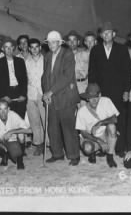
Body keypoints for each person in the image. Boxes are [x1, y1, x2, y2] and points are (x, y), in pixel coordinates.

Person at [88, 22, 131, 156]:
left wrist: (126, 90)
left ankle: (120, 148)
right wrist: (93, 93)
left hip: (118, 91)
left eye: (109, 32)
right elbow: (92, 72)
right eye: (104, 33)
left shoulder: (122, 49)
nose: (106, 35)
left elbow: (127, 71)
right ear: (101, 35)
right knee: (103, 119)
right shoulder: (95, 50)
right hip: (101, 92)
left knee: (120, 118)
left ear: (114, 34)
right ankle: (104, 147)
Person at [41, 31, 80, 166]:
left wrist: (50, 92)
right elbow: (45, 76)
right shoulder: (47, 56)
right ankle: (57, 154)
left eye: (54, 42)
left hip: (66, 96)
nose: (51, 44)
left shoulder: (67, 54)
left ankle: (74, 155)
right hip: (51, 97)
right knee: (53, 128)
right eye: (49, 42)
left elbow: (66, 77)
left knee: (68, 127)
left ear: (59, 42)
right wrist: (46, 93)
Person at [75, 83, 118, 168]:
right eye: (91, 98)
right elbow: (83, 133)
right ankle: (93, 152)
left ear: (100, 95)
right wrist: (99, 141)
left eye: (96, 97)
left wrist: (100, 123)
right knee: (87, 148)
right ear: (87, 98)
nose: (94, 100)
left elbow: (115, 119)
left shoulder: (106, 101)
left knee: (112, 127)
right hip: (91, 137)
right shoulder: (82, 111)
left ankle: (110, 156)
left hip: (105, 134)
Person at [0, 99, 32, 169]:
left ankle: (20, 160)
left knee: (21, 134)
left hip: (13, 141)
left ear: (8, 109)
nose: (3, 112)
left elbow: (29, 130)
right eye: (0, 109)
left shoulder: (13, 115)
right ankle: (4, 155)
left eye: (5, 109)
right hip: (1, 141)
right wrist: (1, 141)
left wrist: (11, 131)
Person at [0, 37, 28, 120]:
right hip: (7, 92)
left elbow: (24, 79)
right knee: (8, 119)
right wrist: (3, 96)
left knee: (20, 118)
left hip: (19, 91)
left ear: (13, 48)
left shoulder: (20, 61)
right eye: (6, 47)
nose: (9, 49)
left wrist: (23, 94)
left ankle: (20, 133)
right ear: (3, 49)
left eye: (10, 47)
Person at [25, 38, 46, 156]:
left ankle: (48, 144)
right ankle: (38, 144)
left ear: (40, 47)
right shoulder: (26, 61)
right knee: (34, 121)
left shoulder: (46, 60)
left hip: (43, 93)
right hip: (31, 93)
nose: (34, 49)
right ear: (29, 48)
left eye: (36, 47)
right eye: (32, 47)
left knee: (45, 120)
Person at [65, 30, 90, 95]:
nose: (72, 42)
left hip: (83, 86)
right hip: (68, 87)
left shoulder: (85, 54)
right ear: (67, 42)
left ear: (78, 42)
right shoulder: (63, 56)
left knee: (83, 105)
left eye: (74, 40)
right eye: (70, 40)